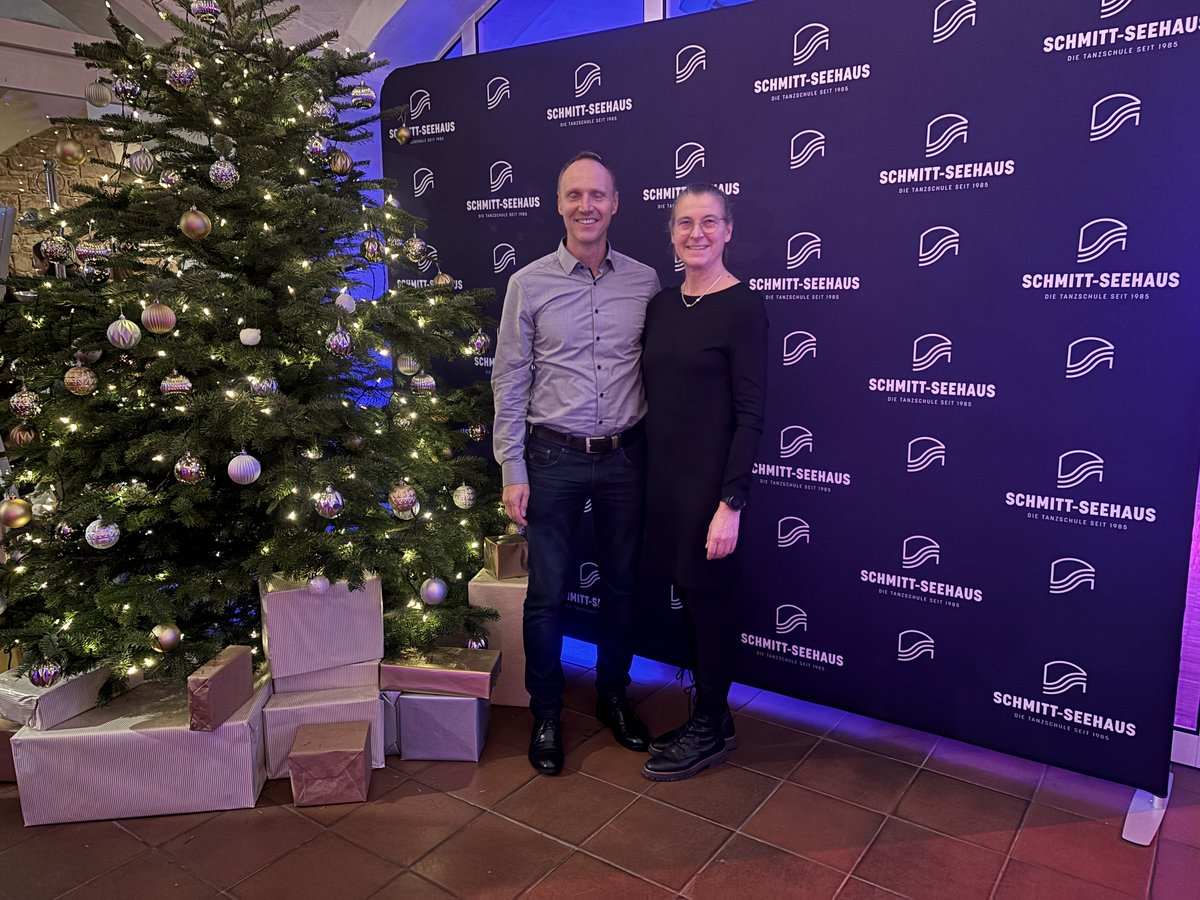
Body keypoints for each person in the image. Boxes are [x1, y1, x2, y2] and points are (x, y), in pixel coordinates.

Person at [492, 151, 662, 776]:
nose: (586, 206)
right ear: (559, 204)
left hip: (625, 457)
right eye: (574, 195)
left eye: (597, 195)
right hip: (552, 457)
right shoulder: (528, 283)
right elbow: (509, 379)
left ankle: (614, 696)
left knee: (623, 587)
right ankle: (546, 713)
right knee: (547, 595)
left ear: (615, 204)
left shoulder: (645, 281)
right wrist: (512, 468)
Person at [639, 184, 768, 781]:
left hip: (711, 491)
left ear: (728, 230)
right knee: (691, 606)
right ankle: (712, 717)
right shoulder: (662, 305)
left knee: (711, 608)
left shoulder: (743, 307)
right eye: (685, 223)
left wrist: (731, 502)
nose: (697, 233)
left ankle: (711, 726)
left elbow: (751, 413)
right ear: (671, 233)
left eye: (709, 222)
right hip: (664, 485)